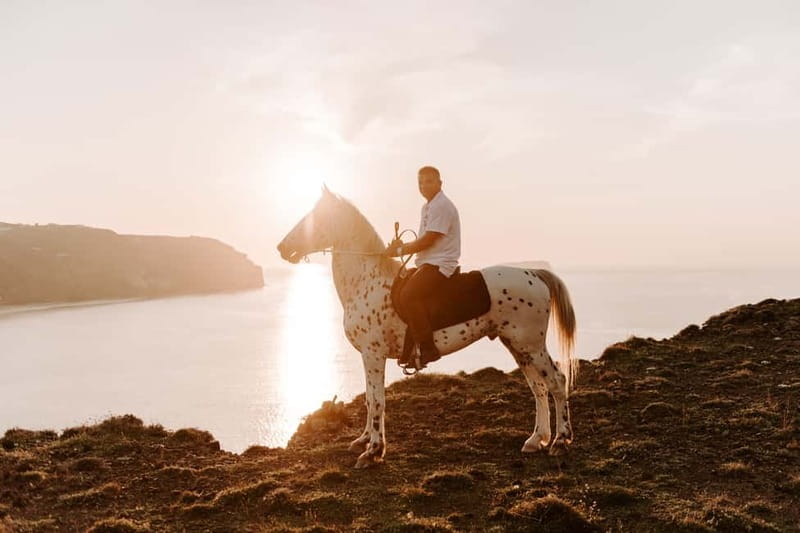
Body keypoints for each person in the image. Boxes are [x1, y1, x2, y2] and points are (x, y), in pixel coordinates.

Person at [385, 165, 461, 365]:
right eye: (420, 182)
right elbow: (423, 241)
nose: (423, 186)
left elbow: (428, 240)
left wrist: (401, 251)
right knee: (401, 288)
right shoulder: (427, 207)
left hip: (441, 264)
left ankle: (428, 349)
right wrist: (402, 246)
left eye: (428, 181)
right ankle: (410, 349)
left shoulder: (441, 205)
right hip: (428, 262)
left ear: (439, 183)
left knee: (408, 295)